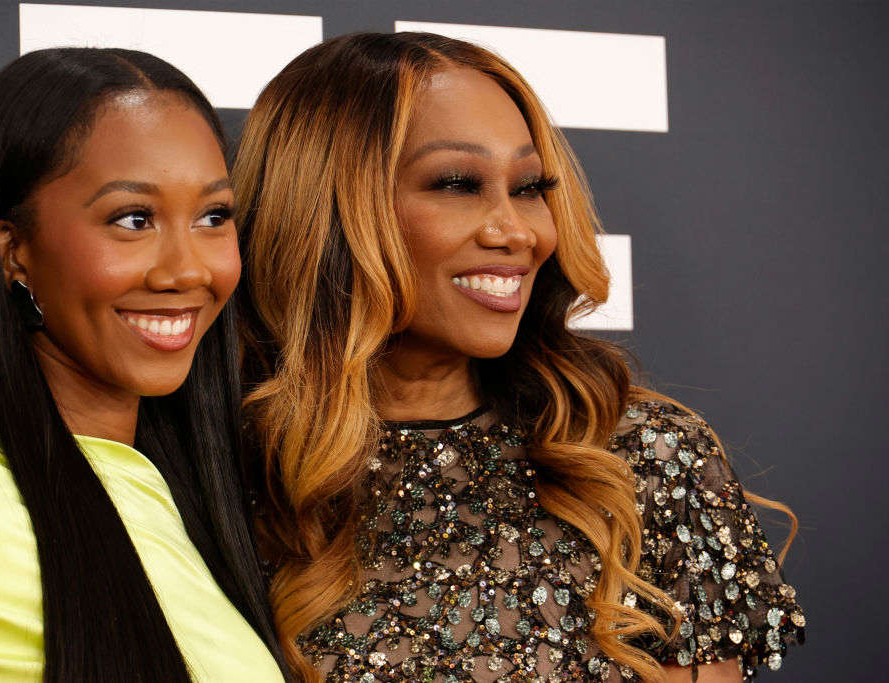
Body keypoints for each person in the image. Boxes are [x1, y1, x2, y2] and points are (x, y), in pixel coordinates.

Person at [234, 32, 804, 682]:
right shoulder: (218, 475)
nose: (517, 231)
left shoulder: (643, 460)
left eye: (530, 187)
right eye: (457, 184)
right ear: (323, 207)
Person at [0, 48, 284, 682]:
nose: (188, 270)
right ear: (14, 251)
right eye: (134, 219)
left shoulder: (190, 493)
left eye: (212, 217)